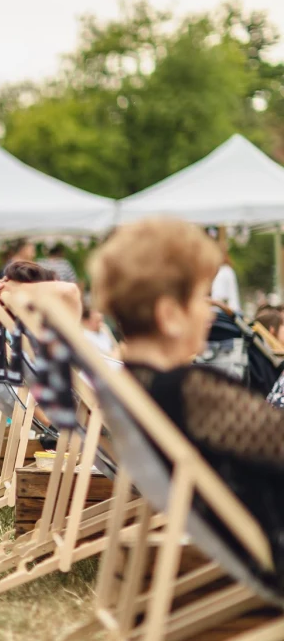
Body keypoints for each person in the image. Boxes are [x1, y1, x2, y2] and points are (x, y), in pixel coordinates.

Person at [89, 217, 284, 584]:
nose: (209, 314)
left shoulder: (129, 386)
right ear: (169, 315)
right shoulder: (189, 391)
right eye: (200, 298)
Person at [210, 244, 242, 314]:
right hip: (233, 311)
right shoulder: (228, 270)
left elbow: (218, 297)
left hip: (224, 313)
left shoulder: (222, 272)